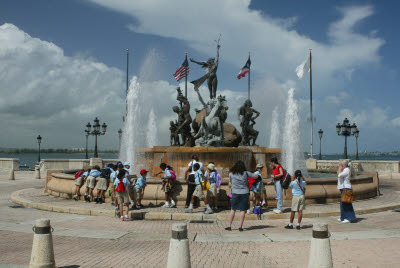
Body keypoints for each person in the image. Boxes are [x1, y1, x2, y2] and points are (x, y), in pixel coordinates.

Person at [225, 160, 259, 231]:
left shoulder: (231, 173)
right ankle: (240, 227)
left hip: (235, 192)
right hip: (244, 193)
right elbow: (255, 176)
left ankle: (229, 226)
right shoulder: (246, 173)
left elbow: (231, 182)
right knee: (243, 210)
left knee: (233, 209)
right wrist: (257, 173)